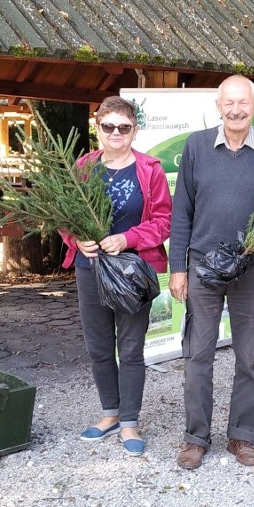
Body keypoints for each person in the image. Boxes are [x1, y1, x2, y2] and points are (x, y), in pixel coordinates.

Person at [169, 75, 254, 470]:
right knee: (197, 355)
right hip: (203, 268)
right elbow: (181, 212)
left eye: (244, 102)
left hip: (253, 269)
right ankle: (195, 438)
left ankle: (242, 435)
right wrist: (177, 268)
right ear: (218, 106)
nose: (236, 109)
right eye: (229, 103)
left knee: (249, 356)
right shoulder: (196, 147)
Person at [60, 96, 172, 457]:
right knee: (98, 346)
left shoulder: (150, 169)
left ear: (134, 130)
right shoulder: (83, 167)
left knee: (130, 348)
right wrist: (76, 238)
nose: (116, 133)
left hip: (132, 272)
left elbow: (163, 221)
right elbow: (63, 215)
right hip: (89, 268)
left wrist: (128, 238)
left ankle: (129, 422)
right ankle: (110, 413)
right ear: (98, 128)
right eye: (108, 126)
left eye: (124, 127)